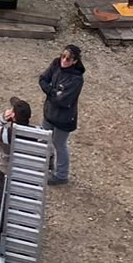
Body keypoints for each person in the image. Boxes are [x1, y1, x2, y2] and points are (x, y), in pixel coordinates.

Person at [39, 43, 85, 185]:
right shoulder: (56, 64)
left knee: (60, 145)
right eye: (63, 56)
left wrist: (50, 91)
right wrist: (54, 92)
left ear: (75, 61)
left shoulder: (77, 79)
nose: (64, 61)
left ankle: (61, 175)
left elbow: (63, 101)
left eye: (68, 59)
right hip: (49, 113)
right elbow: (42, 79)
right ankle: (47, 162)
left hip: (64, 119)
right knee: (43, 139)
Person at [0, 97, 32, 235]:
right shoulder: (39, 136)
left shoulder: (6, 136)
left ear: (12, 116)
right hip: (27, 177)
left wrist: (2, 118)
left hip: (6, 174)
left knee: (0, 203)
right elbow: (51, 154)